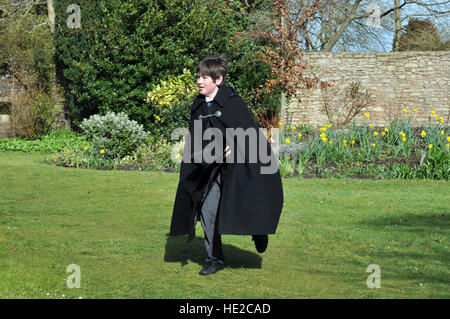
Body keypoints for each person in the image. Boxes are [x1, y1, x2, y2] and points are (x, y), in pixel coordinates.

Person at [170, 55, 283, 275]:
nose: (199, 81)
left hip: (239, 168)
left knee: (247, 202)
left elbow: (250, 134)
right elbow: (196, 140)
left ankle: (259, 231)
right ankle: (214, 259)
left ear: (218, 79)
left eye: (204, 77)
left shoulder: (233, 103)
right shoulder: (198, 106)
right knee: (208, 209)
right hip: (211, 170)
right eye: (198, 77)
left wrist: (237, 147)